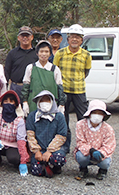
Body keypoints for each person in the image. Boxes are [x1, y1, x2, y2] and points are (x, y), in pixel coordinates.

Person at [53, 24, 92, 154]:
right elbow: (55, 72)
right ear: (68, 39)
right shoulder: (60, 53)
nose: (74, 40)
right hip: (63, 92)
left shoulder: (86, 55)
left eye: (77, 37)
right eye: (72, 37)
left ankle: (84, 146)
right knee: (63, 119)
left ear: (82, 40)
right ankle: (65, 146)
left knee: (83, 119)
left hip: (79, 91)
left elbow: (86, 72)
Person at [0, 90, 29, 176]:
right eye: (6, 101)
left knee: (14, 158)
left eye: (11, 101)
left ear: (16, 104)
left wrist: (23, 160)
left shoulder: (19, 120)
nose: (8, 103)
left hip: (12, 144)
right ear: (1, 103)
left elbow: (21, 140)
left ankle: (16, 162)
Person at [27, 90, 67, 178]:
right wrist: (36, 151)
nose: (44, 103)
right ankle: (45, 165)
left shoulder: (59, 116)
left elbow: (61, 136)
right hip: (39, 150)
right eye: (42, 100)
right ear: (38, 102)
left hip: (55, 149)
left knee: (58, 159)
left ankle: (55, 167)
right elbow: (30, 135)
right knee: (36, 171)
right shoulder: (32, 116)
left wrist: (49, 151)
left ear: (52, 102)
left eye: (47, 100)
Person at [74, 100, 116, 180]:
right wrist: (91, 150)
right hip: (86, 152)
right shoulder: (80, 125)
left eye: (100, 113)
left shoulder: (108, 129)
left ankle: (103, 170)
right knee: (81, 157)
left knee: (105, 162)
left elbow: (110, 145)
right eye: (94, 112)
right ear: (89, 114)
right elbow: (80, 142)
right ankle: (83, 169)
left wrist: (101, 152)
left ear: (104, 115)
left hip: (100, 153)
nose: (97, 115)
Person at [22, 40, 66, 115]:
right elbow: (26, 87)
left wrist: (61, 104)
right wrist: (25, 102)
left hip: (51, 104)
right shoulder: (31, 68)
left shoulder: (55, 69)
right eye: (41, 51)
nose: (44, 54)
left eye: (46, 51)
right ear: (37, 53)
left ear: (50, 54)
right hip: (34, 104)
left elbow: (60, 88)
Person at [4, 26, 38, 103]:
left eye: (27, 35)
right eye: (22, 36)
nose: (25, 38)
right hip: (16, 87)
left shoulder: (37, 53)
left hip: (32, 88)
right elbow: (7, 72)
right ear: (18, 38)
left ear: (32, 37)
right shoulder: (12, 53)